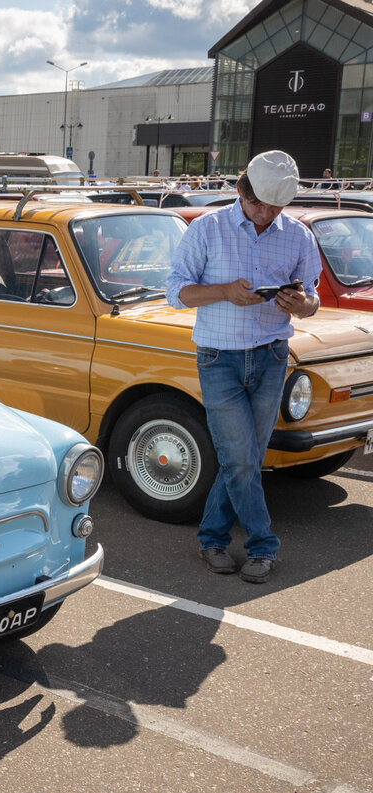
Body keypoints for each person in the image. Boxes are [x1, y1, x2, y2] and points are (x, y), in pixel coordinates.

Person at [165, 150, 320, 584]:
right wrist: (223, 292)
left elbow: (312, 298)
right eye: (259, 206)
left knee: (243, 458)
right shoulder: (208, 228)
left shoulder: (298, 235)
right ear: (239, 191)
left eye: (276, 208)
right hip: (219, 356)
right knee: (241, 458)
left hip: (271, 354)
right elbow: (175, 291)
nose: (267, 214)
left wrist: (300, 303)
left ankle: (212, 538)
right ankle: (262, 544)